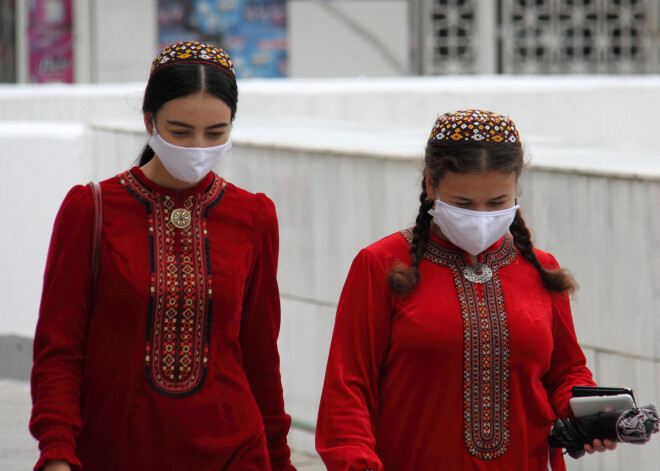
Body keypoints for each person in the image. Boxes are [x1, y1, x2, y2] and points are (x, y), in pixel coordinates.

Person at [30, 42, 295, 471]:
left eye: (216, 133)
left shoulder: (254, 216)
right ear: (149, 121)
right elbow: (59, 350)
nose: (197, 147)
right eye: (179, 131)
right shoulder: (91, 209)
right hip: (118, 450)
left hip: (236, 453)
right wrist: (57, 450)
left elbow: (261, 356)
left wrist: (281, 461)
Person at [315, 110, 617, 470]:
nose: (480, 216)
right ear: (431, 185)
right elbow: (348, 388)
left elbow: (566, 373)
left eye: (496, 203)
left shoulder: (542, 268)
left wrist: (598, 416)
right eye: (463, 204)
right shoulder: (379, 265)